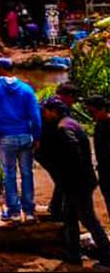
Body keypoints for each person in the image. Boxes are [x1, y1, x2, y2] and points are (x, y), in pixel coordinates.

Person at [37, 97, 110, 265]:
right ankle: (74, 254)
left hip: (77, 184)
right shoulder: (71, 123)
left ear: (54, 111)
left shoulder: (63, 129)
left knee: (88, 219)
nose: (44, 115)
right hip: (78, 182)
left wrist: (65, 172)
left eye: (46, 112)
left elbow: (73, 154)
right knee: (70, 217)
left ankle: (106, 255)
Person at [0, 57, 41, 221]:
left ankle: (13, 211)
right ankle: (28, 211)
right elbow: (35, 115)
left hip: (5, 137)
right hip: (25, 136)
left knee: (9, 174)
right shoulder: (26, 89)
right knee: (27, 173)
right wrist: (37, 136)